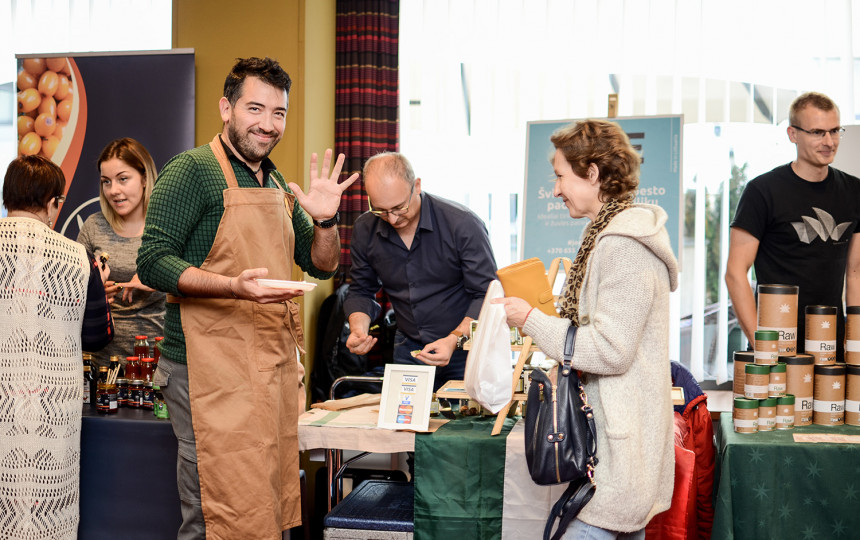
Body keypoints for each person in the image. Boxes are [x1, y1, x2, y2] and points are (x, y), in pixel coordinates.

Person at [136, 56, 357, 540]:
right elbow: (152, 261)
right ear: (226, 108)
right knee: (214, 508)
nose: (268, 124)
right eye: (255, 109)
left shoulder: (275, 182)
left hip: (266, 367)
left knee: (264, 500)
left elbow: (321, 264)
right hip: (204, 368)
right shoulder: (192, 170)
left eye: (278, 113)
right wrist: (232, 286)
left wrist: (325, 220)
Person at [495, 120, 677, 538]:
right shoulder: (605, 235)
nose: (555, 190)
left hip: (617, 454)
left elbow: (611, 350)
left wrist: (530, 319)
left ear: (592, 173)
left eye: (560, 176)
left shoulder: (623, 245)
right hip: (612, 446)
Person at [0, 155, 113, 540]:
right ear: (52, 202)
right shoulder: (78, 258)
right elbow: (97, 336)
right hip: (50, 407)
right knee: (46, 507)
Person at [343, 152, 497, 390]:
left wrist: (454, 339)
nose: (392, 219)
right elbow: (361, 290)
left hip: (466, 347)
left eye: (399, 207)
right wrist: (358, 330)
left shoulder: (462, 224)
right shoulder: (365, 229)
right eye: (381, 210)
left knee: (466, 415)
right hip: (409, 347)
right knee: (407, 413)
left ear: (416, 186)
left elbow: (486, 294)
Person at [726, 92, 860, 362]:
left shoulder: (854, 190)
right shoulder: (762, 191)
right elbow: (735, 273)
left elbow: (855, 272)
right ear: (793, 134)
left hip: (831, 348)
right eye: (817, 132)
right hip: (776, 347)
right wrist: (762, 347)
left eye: (835, 131)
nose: (829, 141)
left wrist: (855, 345)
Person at [77, 137, 165, 368]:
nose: (113, 191)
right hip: (100, 363)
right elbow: (69, 297)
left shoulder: (166, 228)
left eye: (123, 179)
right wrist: (94, 294)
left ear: (144, 178)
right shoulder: (94, 226)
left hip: (156, 362)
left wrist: (159, 280)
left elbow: (196, 290)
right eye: (106, 182)